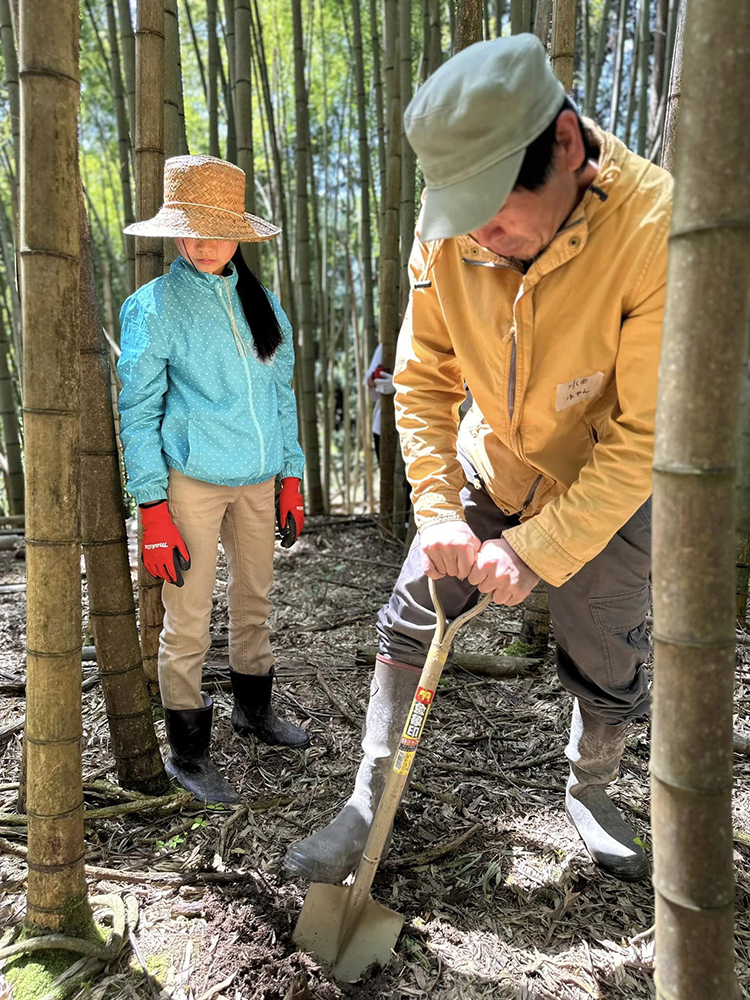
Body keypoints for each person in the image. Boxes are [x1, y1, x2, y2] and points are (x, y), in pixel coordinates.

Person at [285, 34, 670, 883]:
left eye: (495, 215)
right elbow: (423, 378)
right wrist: (437, 513)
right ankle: (368, 799)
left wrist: (535, 551)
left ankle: (592, 790)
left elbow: (644, 436)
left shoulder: (654, 228)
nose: (482, 242)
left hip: (607, 485)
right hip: (490, 461)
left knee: (612, 654)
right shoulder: (452, 226)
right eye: (464, 220)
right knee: (412, 610)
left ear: (564, 144)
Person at [118, 154, 308, 805]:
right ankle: (189, 753)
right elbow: (137, 411)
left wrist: (291, 476)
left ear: (239, 234)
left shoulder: (264, 304)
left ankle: (254, 712)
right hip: (191, 483)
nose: (203, 244)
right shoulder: (153, 307)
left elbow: (281, 397)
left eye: (218, 230)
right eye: (191, 230)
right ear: (174, 232)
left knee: (255, 599)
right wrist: (152, 507)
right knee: (189, 619)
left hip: (258, 481)